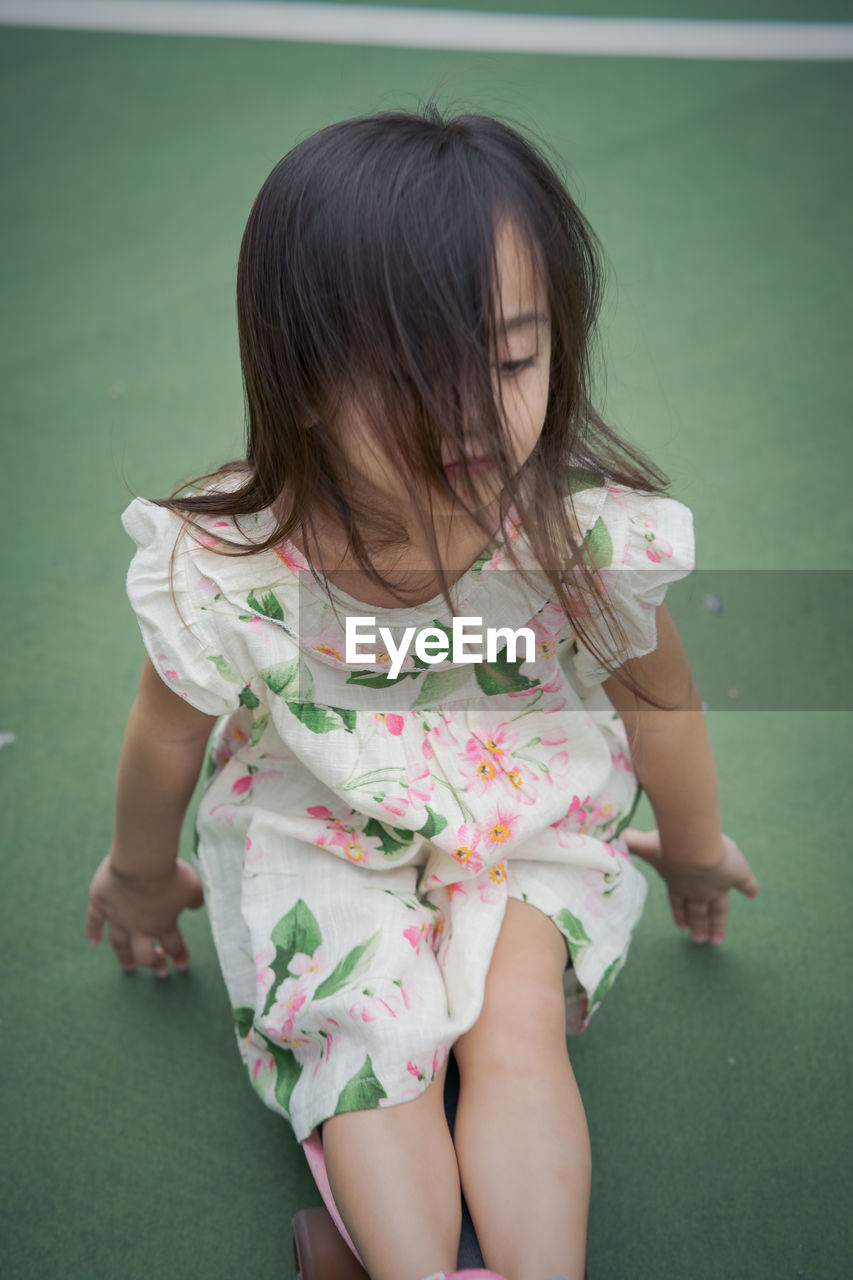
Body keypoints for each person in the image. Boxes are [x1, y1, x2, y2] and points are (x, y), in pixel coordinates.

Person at [85, 108, 759, 1280]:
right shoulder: (238, 556)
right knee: (369, 1032)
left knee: (516, 1028)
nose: (471, 409)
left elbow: (660, 703)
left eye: (510, 359)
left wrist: (693, 846)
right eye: (410, 370)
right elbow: (165, 731)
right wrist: (142, 871)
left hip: (524, 809)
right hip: (324, 819)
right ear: (298, 384)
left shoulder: (583, 537)